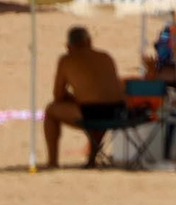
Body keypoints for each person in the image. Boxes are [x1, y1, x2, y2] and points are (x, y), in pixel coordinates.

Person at [43, 27, 126, 170]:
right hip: (119, 111)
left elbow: (58, 96)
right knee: (96, 110)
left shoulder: (66, 60)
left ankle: (52, 162)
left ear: (68, 46)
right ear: (89, 41)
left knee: (51, 110)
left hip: (91, 114)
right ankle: (92, 159)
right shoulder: (105, 56)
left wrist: (73, 98)